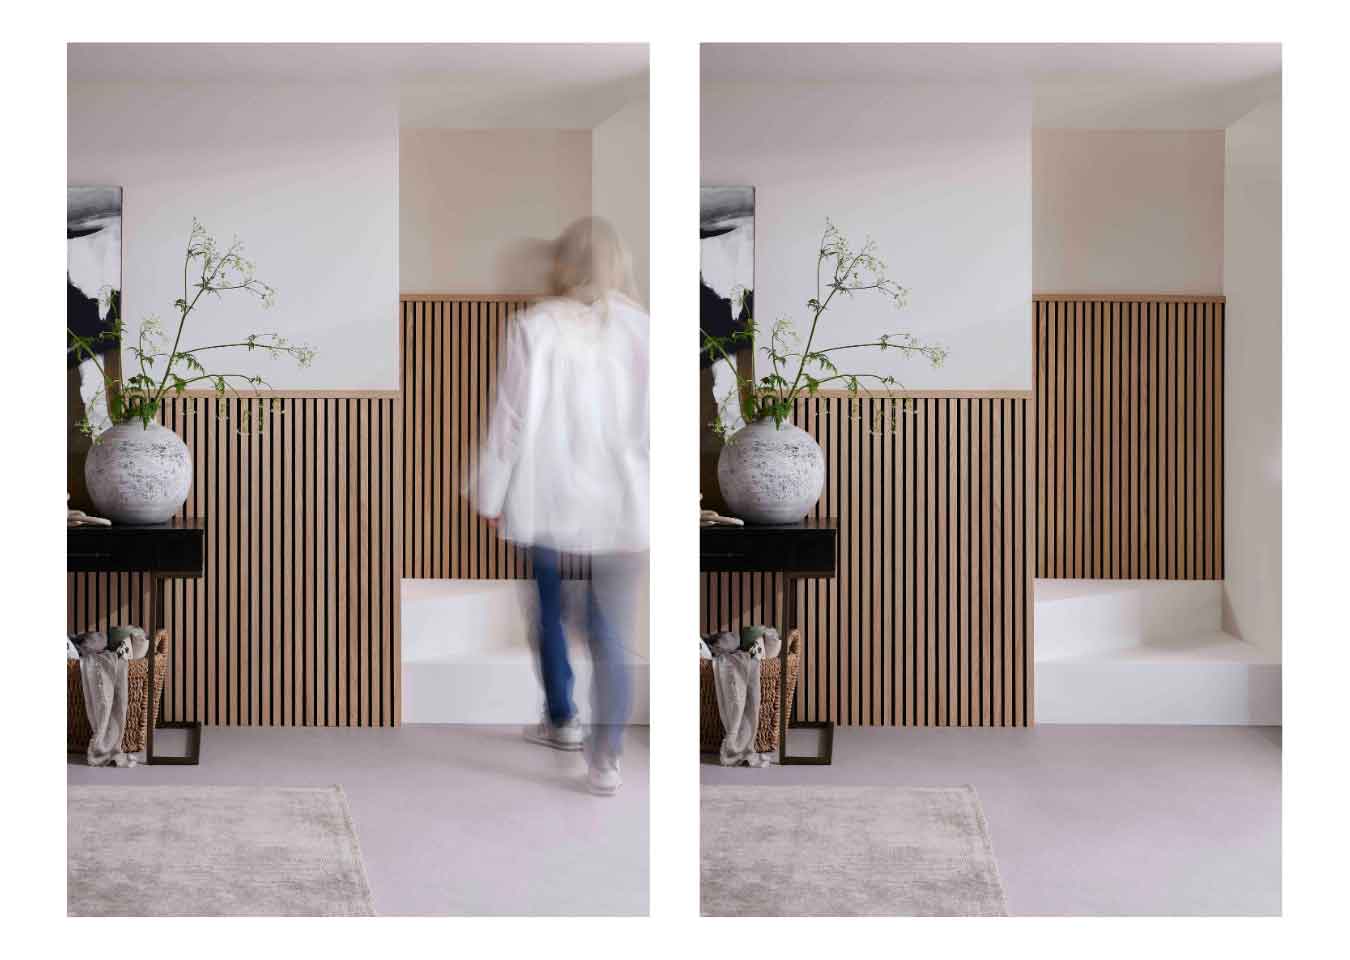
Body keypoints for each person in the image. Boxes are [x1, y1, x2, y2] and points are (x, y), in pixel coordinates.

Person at [468, 217, 648, 796]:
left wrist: (491, 492)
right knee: (613, 633)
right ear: (619, 264)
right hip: (621, 511)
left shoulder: (534, 327)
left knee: (549, 612)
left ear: (563, 264)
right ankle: (607, 759)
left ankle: (564, 718)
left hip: (551, 504)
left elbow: (511, 419)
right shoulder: (643, 331)